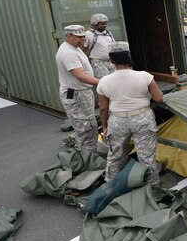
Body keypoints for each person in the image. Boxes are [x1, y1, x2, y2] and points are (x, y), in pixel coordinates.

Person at [98, 41, 164, 185]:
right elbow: (158, 98)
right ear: (128, 57)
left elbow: (103, 108)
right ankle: (152, 189)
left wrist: (104, 126)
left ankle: (111, 187)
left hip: (117, 120)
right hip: (142, 118)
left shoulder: (104, 81)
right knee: (146, 157)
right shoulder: (144, 76)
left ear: (111, 60)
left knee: (116, 156)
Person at [56, 25, 100, 152]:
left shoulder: (72, 47)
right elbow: (81, 76)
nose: (83, 39)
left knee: (84, 126)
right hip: (77, 95)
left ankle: (83, 152)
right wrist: (104, 82)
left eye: (83, 36)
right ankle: (88, 161)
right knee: (87, 130)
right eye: (79, 37)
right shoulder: (69, 53)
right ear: (68, 36)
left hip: (79, 93)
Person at [85, 13, 116, 79]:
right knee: (105, 82)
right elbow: (83, 49)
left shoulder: (108, 33)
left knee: (115, 80)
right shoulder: (89, 34)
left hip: (111, 62)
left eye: (105, 23)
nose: (104, 25)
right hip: (98, 63)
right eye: (101, 24)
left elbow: (114, 45)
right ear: (94, 24)